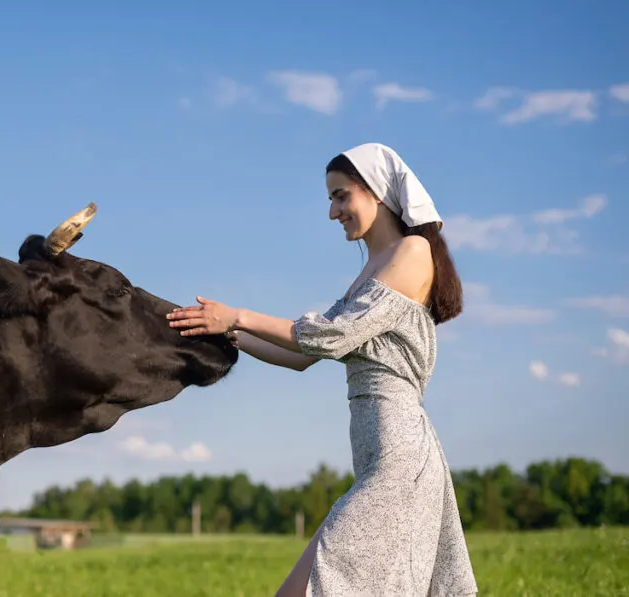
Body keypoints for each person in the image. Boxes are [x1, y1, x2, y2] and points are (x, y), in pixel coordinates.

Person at [166, 142, 478, 596]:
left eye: (340, 196)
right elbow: (301, 356)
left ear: (376, 191)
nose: (333, 212)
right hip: (379, 463)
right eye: (331, 199)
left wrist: (237, 316)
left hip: (401, 463)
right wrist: (218, 333)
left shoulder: (411, 252)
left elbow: (325, 337)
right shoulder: (371, 273)